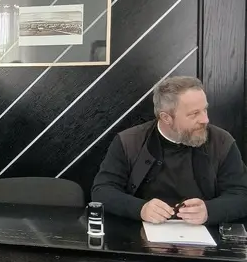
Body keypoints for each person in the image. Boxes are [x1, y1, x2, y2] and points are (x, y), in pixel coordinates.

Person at [92, 76, 247, 225]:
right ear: (166, 118)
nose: (205, 119)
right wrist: (140, 209)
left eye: (204, 110)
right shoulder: (129, 141)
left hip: (204, 234)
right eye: (194, 114)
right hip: (138, 232)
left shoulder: (222, 142)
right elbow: (102, 191)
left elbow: (241, 194)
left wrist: (209, 211)